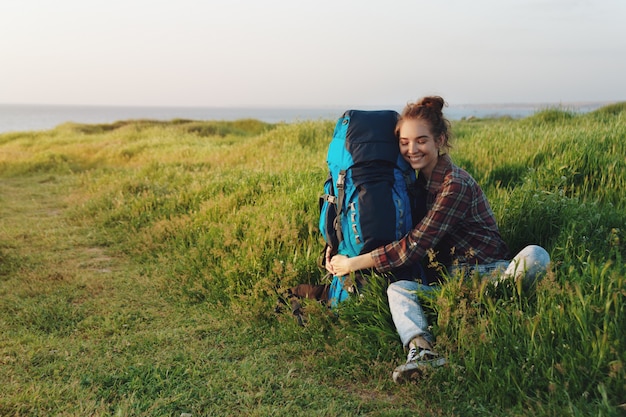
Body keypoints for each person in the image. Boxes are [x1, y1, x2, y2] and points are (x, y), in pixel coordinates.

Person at [327, 96, 550, 383]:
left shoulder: (454, 184)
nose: (411, 150)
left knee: (535, 254)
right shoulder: (414, 185)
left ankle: (497, 302)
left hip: (490, 273)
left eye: (421, 141)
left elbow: (413, 246)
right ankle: (422, 351)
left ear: (439, 141)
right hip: (450, 284)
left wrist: (353, 264)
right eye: (404, 142)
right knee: (398, 290)